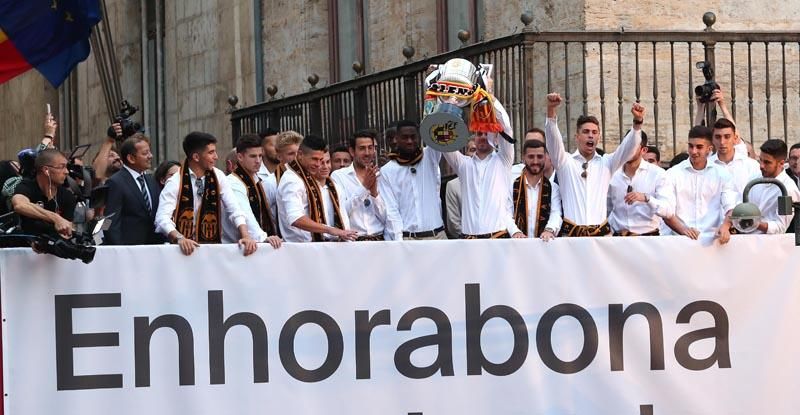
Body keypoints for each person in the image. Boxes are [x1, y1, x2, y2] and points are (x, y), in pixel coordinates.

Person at [544, 93, 645, 237]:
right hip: (572, 237)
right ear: (577, 136)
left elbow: (629, 149)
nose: (590, 135)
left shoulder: (607, 162)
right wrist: (551, 111)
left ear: (599, 137)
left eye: (594, 132)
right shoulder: (564, 161)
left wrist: (637, 123)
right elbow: (553, 141)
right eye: (585, 132)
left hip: (599, 239)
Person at [155, 132, 257, 256]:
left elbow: (235, 209)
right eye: (211, 152)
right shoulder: (175, 182)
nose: (216, 157)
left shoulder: (218, 176)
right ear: (196, 157)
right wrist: (180, 238)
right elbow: (162, 219)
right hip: (182, 252)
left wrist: (246, 235)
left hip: (212, 250)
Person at [442, 97, 520, 239]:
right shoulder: (464, 165)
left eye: (487, 133)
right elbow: (444, 143)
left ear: (496, 138)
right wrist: (449, 107)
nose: (483, 137)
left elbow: (506, 128)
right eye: (479, 134)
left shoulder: (503, 159)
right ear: (474, 138)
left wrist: (490, 98)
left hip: (498, 236)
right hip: (470, 239)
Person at [277, 134, 357, 242]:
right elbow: (295, 218)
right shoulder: (292, 180)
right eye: (314, 159)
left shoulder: (311, 178)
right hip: (299, 249)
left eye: (321, 159)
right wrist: (330, 230)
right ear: (300, 155)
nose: (318, 164)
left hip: (319, 246)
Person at [663, 126, 737, 240]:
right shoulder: (672, 174)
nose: (694, 151)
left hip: (712, 240)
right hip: (680, 240)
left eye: (699, 147)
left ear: (709, 149)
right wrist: (684, 231)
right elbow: (666, 210)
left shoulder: (722, 174)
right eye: (690, 146)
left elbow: (731, 206)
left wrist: (725, 226)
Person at [718, 139, 800, 240]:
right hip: (745, 241)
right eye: (760, 160)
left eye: (767, 162)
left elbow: (780, 227)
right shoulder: (755, 178)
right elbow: (738, 206)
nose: (761, 166)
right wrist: (726, 225)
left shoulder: (789, 189)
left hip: (771, 246)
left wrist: (753, 223)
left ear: (781, 163)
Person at [380, 120, 446, 240]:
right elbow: (391, 210)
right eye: (405, 137)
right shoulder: (387, 171)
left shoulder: (430, 156)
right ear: (396, 139)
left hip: (438, 237)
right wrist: (399, 242)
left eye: (413, 137)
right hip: (409, 239)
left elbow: (439, 132)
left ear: (419, 137)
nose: (409, 141)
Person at [607, 132, 673, 236]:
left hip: (648, 239)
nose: (627, 151)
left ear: (644, 150)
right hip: (618, 239)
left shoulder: (658, 174)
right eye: (625, 146)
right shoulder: (613, 173)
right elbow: (606, 208)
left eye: (632, 147)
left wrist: (647, 198)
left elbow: (668, 211)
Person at [103, 134, 165, 245]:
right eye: (145, 153)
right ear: (131, 158)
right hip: (129, 249)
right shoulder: (116, 182)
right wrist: (118, 249)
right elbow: (110, 220)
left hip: (154, 247)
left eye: (150, 152)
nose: (150, 156)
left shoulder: (150, 180)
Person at [331, 130, 391, 241]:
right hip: (353, 241)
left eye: (370, 148)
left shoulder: (381, 175)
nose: (367, 153)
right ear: (352, 151)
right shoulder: (338, 176)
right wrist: (364, 188)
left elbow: (387, 218)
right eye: (362, 148)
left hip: (379, 239)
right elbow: (341, 213)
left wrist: (374, 194)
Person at [224, 134, 282, 249]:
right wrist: (263, 237)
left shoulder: (256, 180)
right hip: (235, 247)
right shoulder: (233, 182)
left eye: (260, 156)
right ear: (240, 157)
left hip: (253, 244)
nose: (258, 161)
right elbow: (245, 213)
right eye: (253, 156)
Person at [11, 149, 76, 239]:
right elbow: (20, 205)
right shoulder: (26, 186)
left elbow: (67, 230)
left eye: (66, 167)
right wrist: (55, 218)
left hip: (53, 248)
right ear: (46, 170)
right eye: (62, 167)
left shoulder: (68, 196)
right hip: (23, 247)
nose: (66, 172)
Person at [511, 140, 562, 240]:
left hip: (544, 245)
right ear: (523, 157)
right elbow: (506, 213)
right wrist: (515, 231)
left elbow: (556, 213)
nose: (535, 161)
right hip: (517, 244)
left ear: (546, 157)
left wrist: (549, 229)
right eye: (531, 157)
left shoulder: (553, 187)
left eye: (539, 157)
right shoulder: (512, 185)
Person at [708, 118, 760, 201]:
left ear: (735, 138)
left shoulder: (751, 166)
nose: (722, 142)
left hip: (743, 213)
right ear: (712, 139)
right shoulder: (707, 166)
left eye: (727, 137)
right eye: (718, 137)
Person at [444, 138, 477, 238]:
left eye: (479, 150)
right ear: (466, 154)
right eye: (472, 150)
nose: (475, 154)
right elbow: (453, 223)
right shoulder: (453, 186)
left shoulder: (495, 180)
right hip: (466, 241)